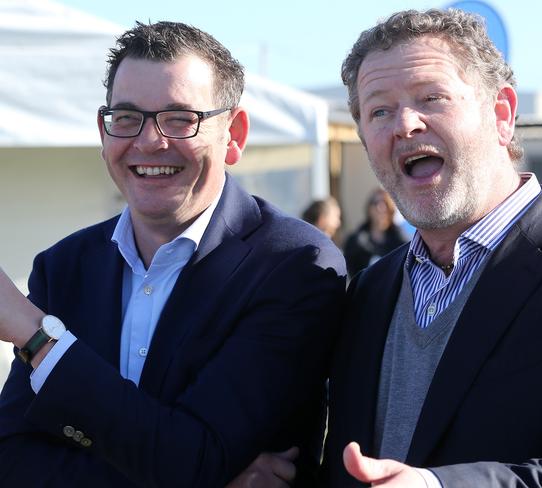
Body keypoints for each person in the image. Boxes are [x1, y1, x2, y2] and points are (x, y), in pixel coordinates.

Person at [0, 21, 345, 487]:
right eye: (126, 117)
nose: (147, 141)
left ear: (234, 134)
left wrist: (37, 337)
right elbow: (14, 463)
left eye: (180, 118)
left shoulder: (293, 264)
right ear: (104, 134)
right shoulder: (63, 267)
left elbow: (194, 457)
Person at [318, 8, 542, 487]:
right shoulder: (370, 289)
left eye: (431, 97)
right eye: (379, 111)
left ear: (502, 115)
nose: (404, 124)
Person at [343, 188, 409, 276]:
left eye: (385, 203)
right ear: (369, 208)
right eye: (376, 203)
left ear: (390, 209)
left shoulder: (402, 242)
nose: (380, 208)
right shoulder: (355, 242)